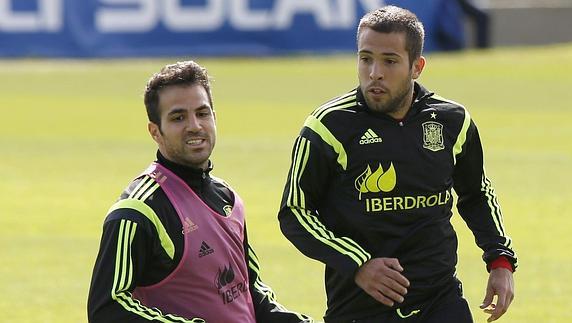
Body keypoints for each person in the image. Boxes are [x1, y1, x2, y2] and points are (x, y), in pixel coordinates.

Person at [278, 5, 516, 323]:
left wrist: (500, 260)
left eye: (389, 61)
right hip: (359, 309)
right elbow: (295, 212)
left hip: (440, 301)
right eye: (366, 59)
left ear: (416, 67)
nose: (375, 72)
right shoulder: (328, 126)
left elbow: (476, 194)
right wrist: (358, 263)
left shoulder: (452, 121)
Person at [88, 60, 312, 323]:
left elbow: (248, 288)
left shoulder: (228, 197)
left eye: (202, 113)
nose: (194, 125)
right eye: (178, 117)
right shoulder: (138, 212)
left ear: (215, 118)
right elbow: (106, 308)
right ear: (154, 131)